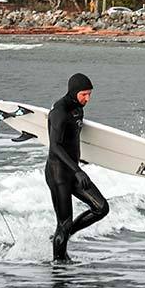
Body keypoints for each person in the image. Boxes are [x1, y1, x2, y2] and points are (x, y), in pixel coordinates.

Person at [45, 73, 109, 261]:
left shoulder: (78, 109)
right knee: (63, 223)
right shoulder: (59, 111)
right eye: (84, 94)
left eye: (89, 94)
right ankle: (59, 265)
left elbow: (72, 140)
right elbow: (55, 146)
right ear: (73, 92)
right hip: (58, 174)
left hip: (73, 170)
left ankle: (62, 236)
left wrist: (83, 160)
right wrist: (78, 170)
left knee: (101, 208)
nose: (87, 99)